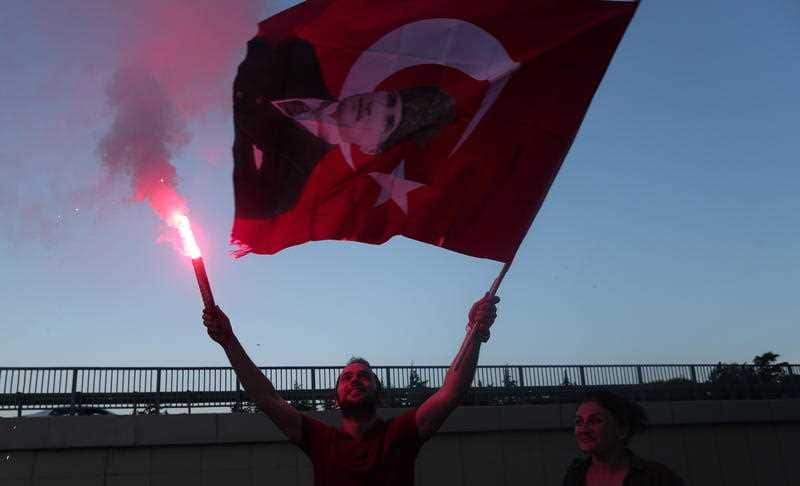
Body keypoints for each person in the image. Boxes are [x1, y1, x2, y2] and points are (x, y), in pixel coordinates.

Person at [202, 293, 499, 486]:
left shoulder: (401, 434)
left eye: (363, 376)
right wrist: (228, 340)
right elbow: (265, 397)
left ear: (378, 393)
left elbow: (451, 392)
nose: (355, 380)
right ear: (336, 398)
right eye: (347, 378)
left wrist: (475, 331)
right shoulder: (320, 439)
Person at [233, 35, 455, 219]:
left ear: (373, 149)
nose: (374, 108)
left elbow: (240, 200)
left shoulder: (282, 189)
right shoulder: (299, 58)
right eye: (389, 100)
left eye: (387, 121)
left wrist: (236, 134)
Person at [563, 390, 685, 486]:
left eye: (595, 421)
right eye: (579, 422)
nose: (583, 430)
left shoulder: (657, 478)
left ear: (622, 430)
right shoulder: (576, 475)